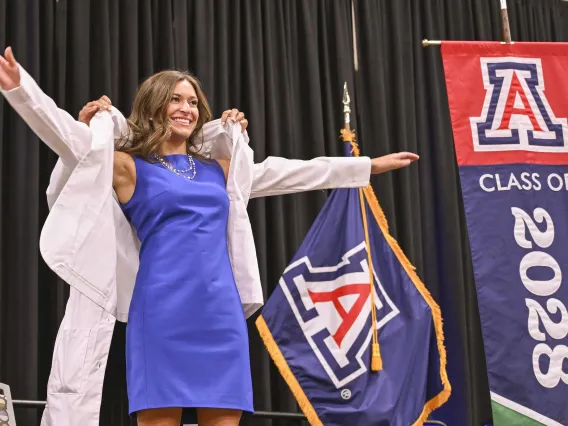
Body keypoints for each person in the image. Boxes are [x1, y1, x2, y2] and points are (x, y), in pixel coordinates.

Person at [0, 46, 419, 426]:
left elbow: (285, 172)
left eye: (193, 102)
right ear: (153, 107)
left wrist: (366, 167)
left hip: (219, 311)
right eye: (175, 100)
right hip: (161, 308)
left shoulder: (218, 167)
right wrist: (23, 90)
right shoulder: (128, 166)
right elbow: (69, 139)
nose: (187, 108)